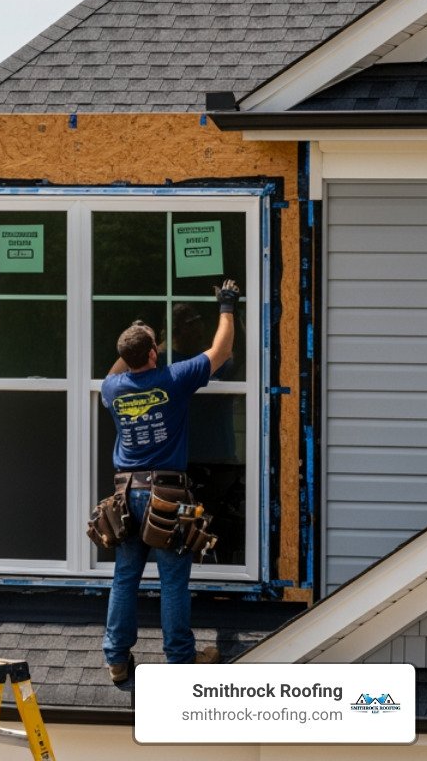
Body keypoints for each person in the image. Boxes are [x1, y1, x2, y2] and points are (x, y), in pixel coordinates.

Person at [100, 278, 240, 683]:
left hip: (126, 494)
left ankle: (117, 659)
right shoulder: (173, 379)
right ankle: (180, 659)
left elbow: (117, 367)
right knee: (173, 580)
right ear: (154, 352)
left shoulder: (114, 387)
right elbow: (221, 351)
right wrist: (227, 305)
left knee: (125, 576)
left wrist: (138, 338)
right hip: (166, 494)